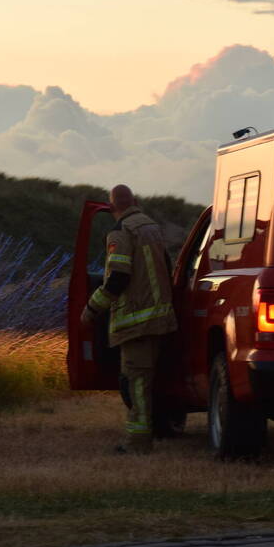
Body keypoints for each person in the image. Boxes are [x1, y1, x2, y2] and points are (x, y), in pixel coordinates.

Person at [81, 184, 177, 454]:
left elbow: (118, 278)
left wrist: (91, 309)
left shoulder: (121, 232)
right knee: (150, 380)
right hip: (160, 317)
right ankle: (161, 429)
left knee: (135, 383)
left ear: (112, 208)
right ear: (135, 201)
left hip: (136, 321)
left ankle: (138, 443)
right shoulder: (152, 227)